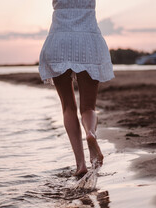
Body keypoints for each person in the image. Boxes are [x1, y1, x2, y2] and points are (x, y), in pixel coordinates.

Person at [39, 0, 115, 176]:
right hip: (87, 41)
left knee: (68, 107)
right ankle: (90, 133)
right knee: (88, 107)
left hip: (59, 41)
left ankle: (80, 164)